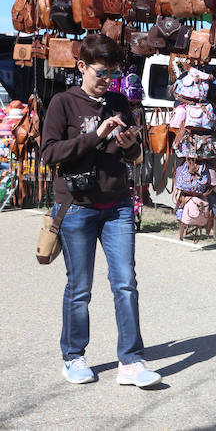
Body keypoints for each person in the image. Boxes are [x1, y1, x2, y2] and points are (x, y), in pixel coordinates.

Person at [41, 34, 162, 388]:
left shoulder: (120, 102)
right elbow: (49, 153)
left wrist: (129, 145)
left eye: (112, 72)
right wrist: (97, 135)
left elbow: (135, 157)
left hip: (118, 205)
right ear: (81, 67)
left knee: (125, 283)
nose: (107, 79)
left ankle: (131, 361)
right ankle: (73, 357)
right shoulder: (62, 103)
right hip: (76, 207)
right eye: (100, 72)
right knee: (80, 287)